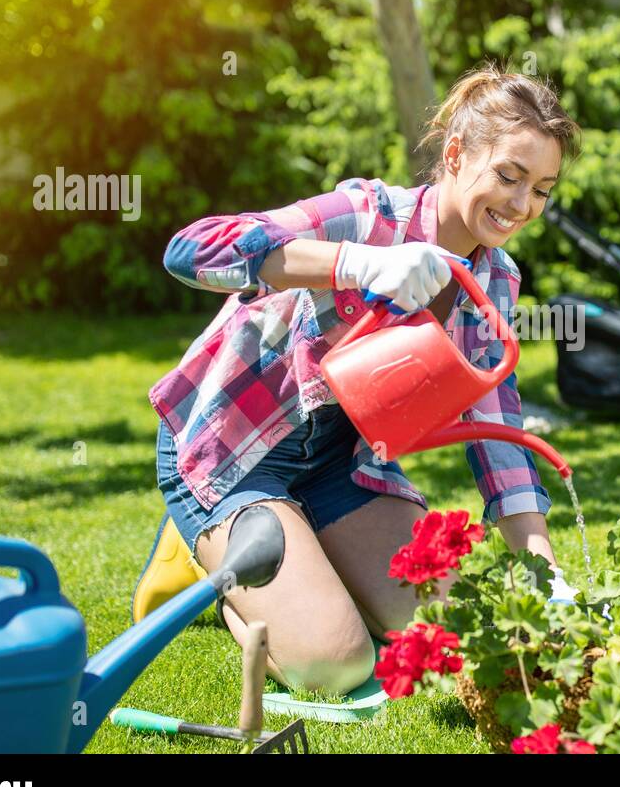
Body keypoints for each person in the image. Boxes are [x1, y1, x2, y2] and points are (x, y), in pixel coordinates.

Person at [132, 63, 582, 695]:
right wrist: (358, 262)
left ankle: (302, 555)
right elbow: (191, 249)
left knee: (449, 635)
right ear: (454, 155)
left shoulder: (496, 281)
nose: (520, 204)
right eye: (509, 175)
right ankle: (213, 564)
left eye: (541, 188)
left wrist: (546, 574)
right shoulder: (368, 216)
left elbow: (499, 432)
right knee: (334, 664)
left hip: (340, 462)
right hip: (233, 449)